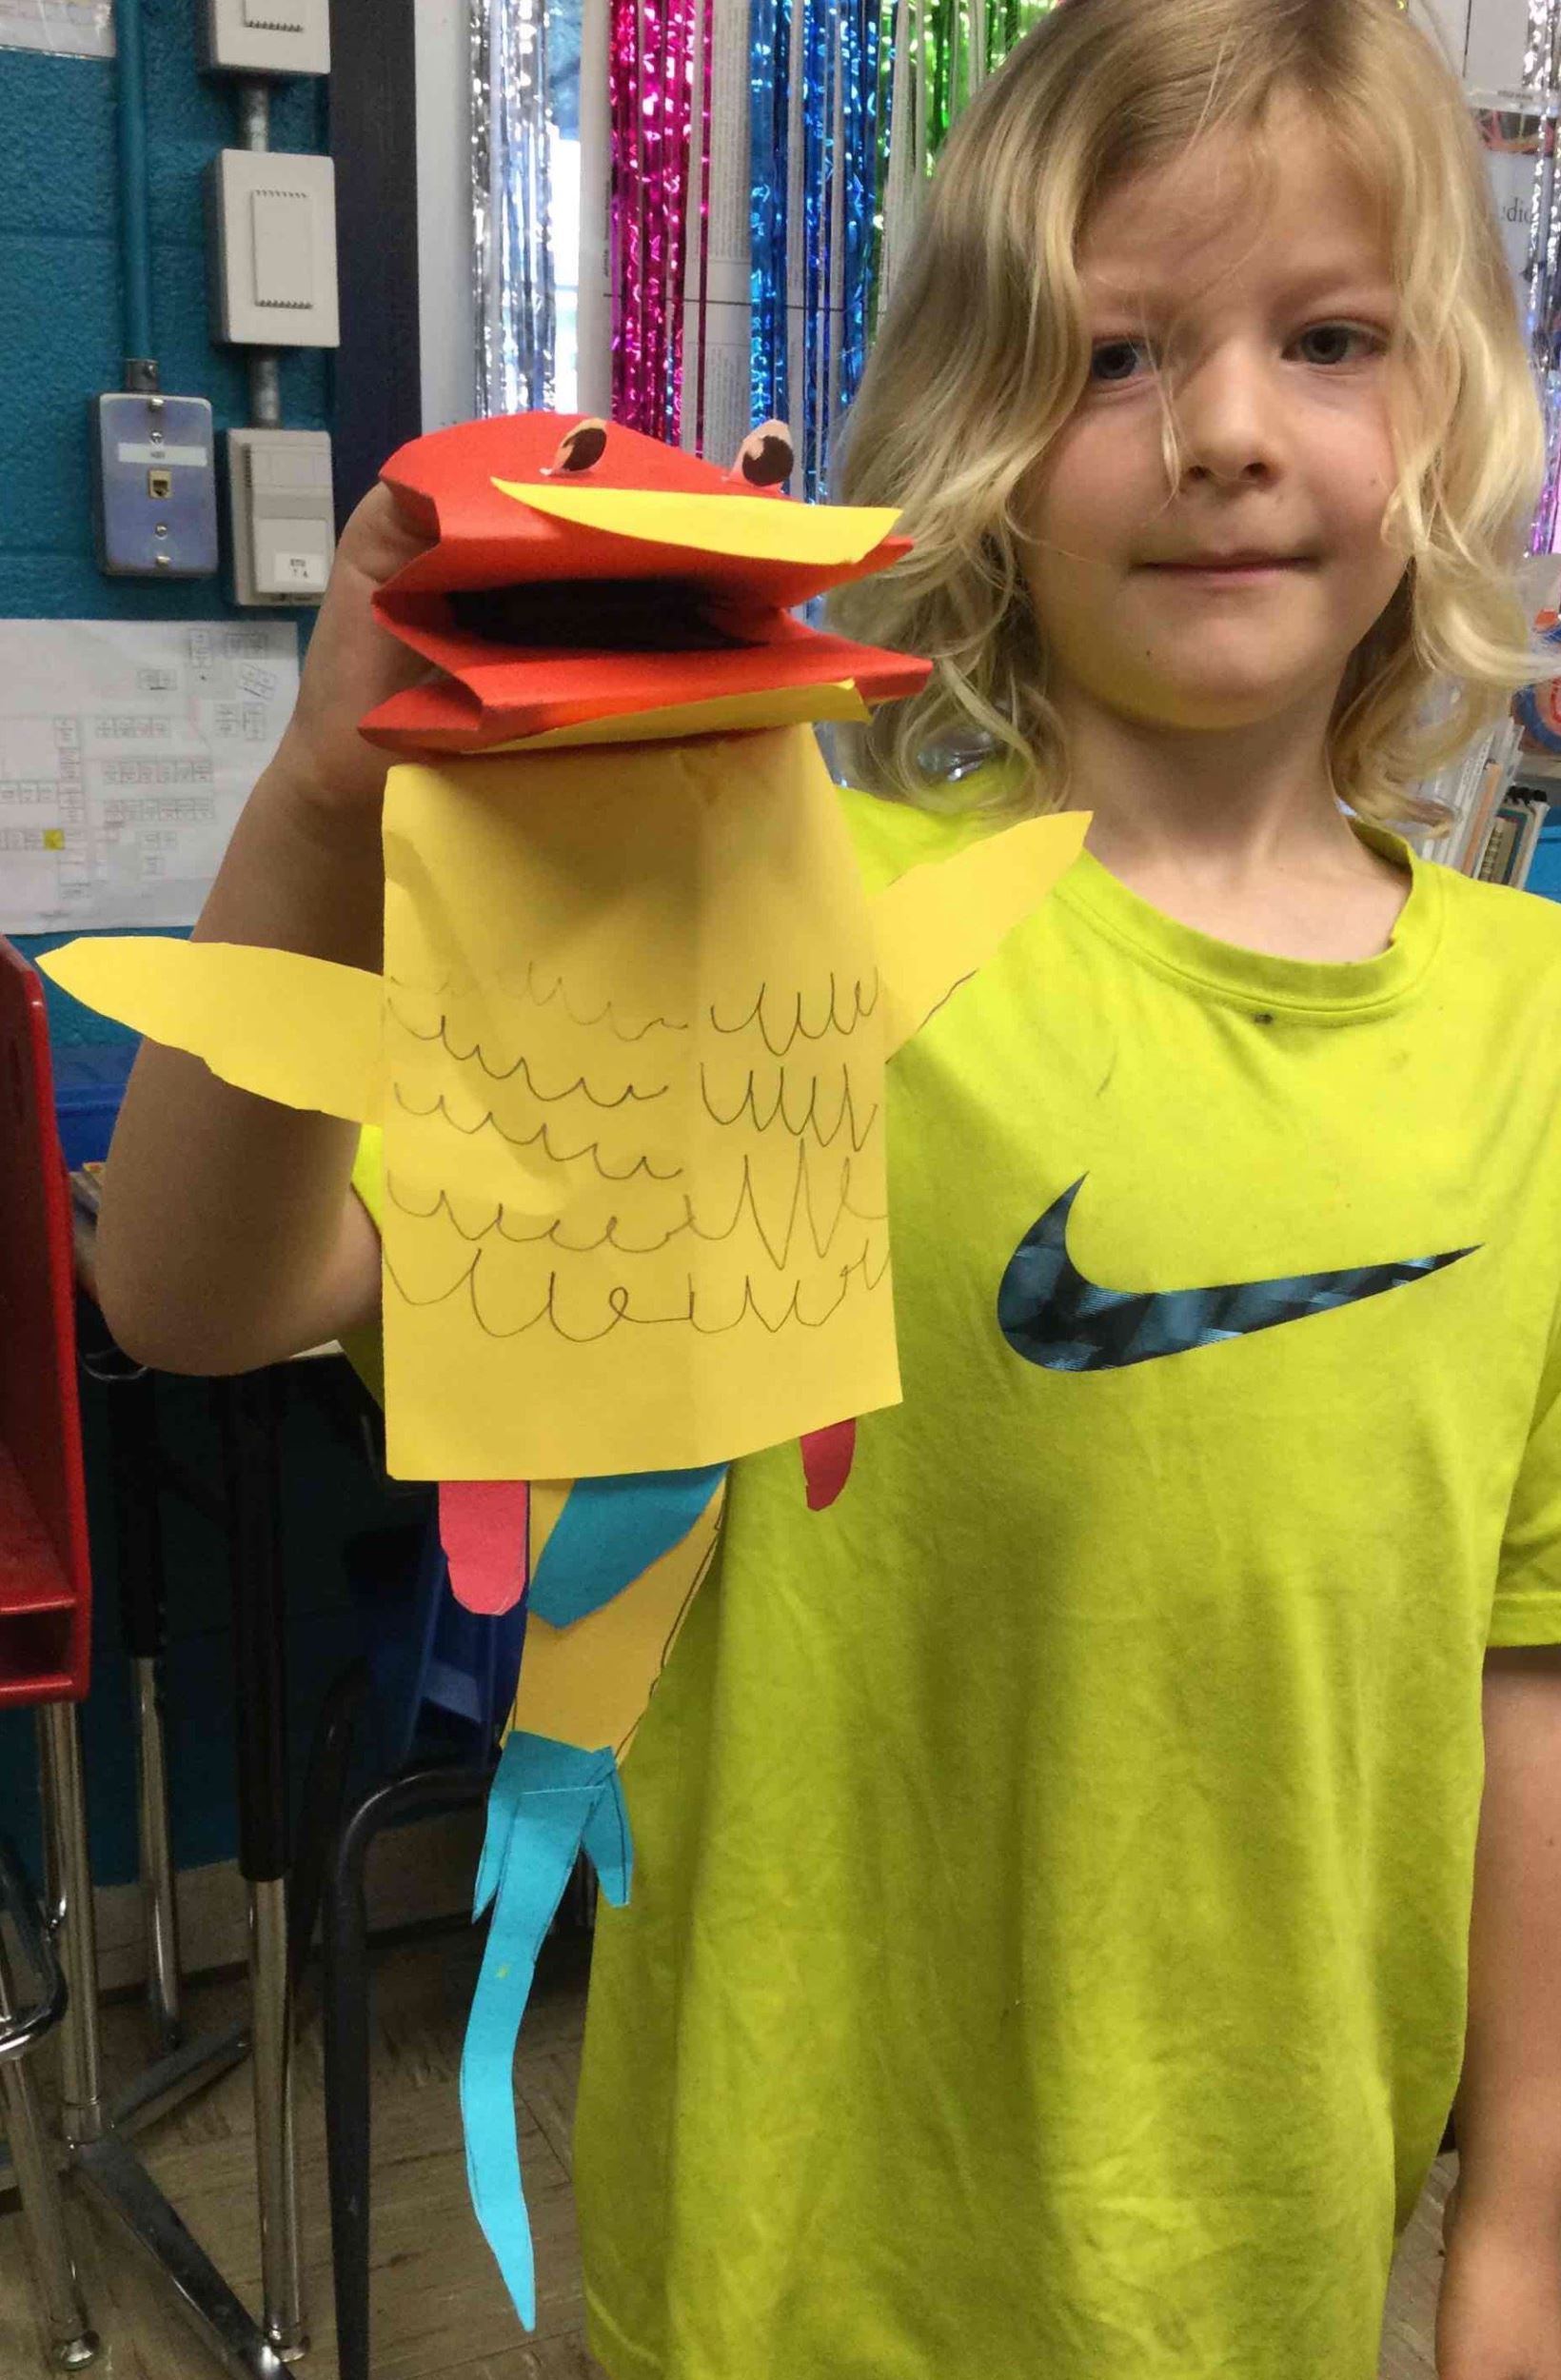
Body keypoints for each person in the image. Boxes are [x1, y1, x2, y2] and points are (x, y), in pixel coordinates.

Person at [91, 0, 1561, 2372]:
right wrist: (326, 802)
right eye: (1111, 354)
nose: (1222, 428)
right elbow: (193, 1289)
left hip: (1265, 2266)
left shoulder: (1536, 1034)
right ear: (982, 426)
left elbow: (1523, 1686)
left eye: (1329, 337)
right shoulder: (759, 922)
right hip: (783, 2270)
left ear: (1454, 407)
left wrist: (1520, 2239)